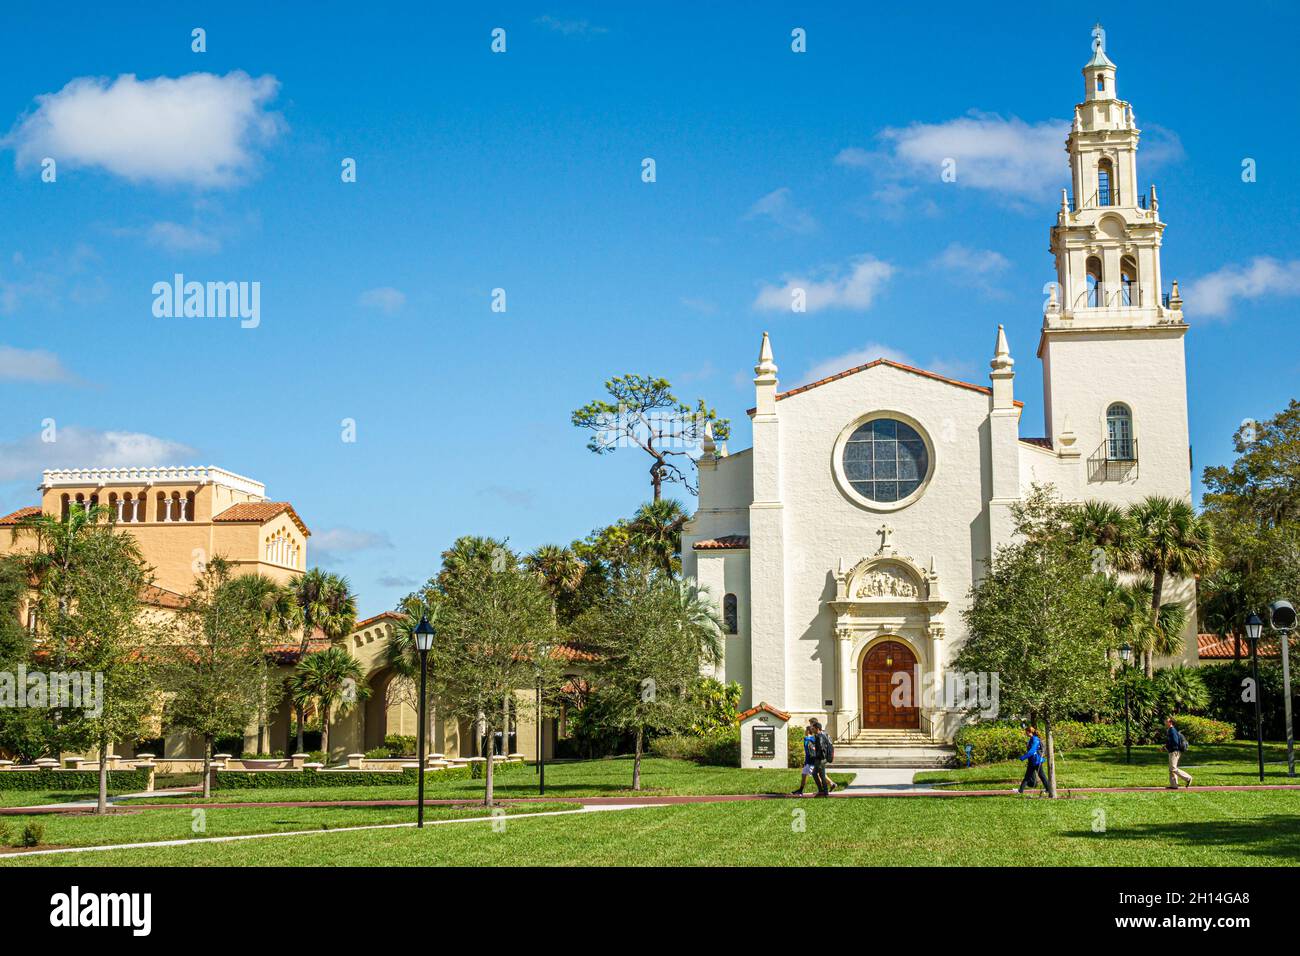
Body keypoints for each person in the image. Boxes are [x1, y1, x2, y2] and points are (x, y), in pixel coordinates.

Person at [1015, 724, 1050, 795]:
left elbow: (1032, 751)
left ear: (1029, 732)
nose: (1025, 733)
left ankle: (1048, 789)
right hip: (1032, 760)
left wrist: (1023, 757)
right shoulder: (1031, 739)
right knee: (1028, 776)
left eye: (1026, 732)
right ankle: (1020, 791)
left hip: (1036, 761)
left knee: (1041, 775)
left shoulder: (1035, 739)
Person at [809, 719, 836, 797]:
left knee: (814, 774)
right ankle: (825, 792)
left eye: (813, 729)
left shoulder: (818, 736)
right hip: (824, 759)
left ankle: (821, 790)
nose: (812, 730)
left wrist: (816, 756)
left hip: (820, 759)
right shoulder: (824, 734)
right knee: (822, 775)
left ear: (817, 729)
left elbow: (821, 748)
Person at [791, 723, 819, 796]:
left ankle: (825, 788)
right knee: (804, 774)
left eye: (805, 730)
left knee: (817, 776)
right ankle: (800, 790)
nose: (804, 731)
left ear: (808, 731)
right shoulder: (807, 739)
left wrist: (806, 738)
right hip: (808, 761)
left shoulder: (811, 738)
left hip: (811, 761)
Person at [1165, 717, 1192, 789]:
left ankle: (1188, 778)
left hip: (1175, 751)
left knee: (1173, 768)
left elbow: (1175, 742)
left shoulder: (1172, 730)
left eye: (1166, 721)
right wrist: (1165, 747)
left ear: (1170, 723)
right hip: (1172, 751)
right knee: (1171, 769)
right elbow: (1170, 741)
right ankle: (1174, 785)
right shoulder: (1170, 730)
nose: (1165, 722)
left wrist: (1170, 748)